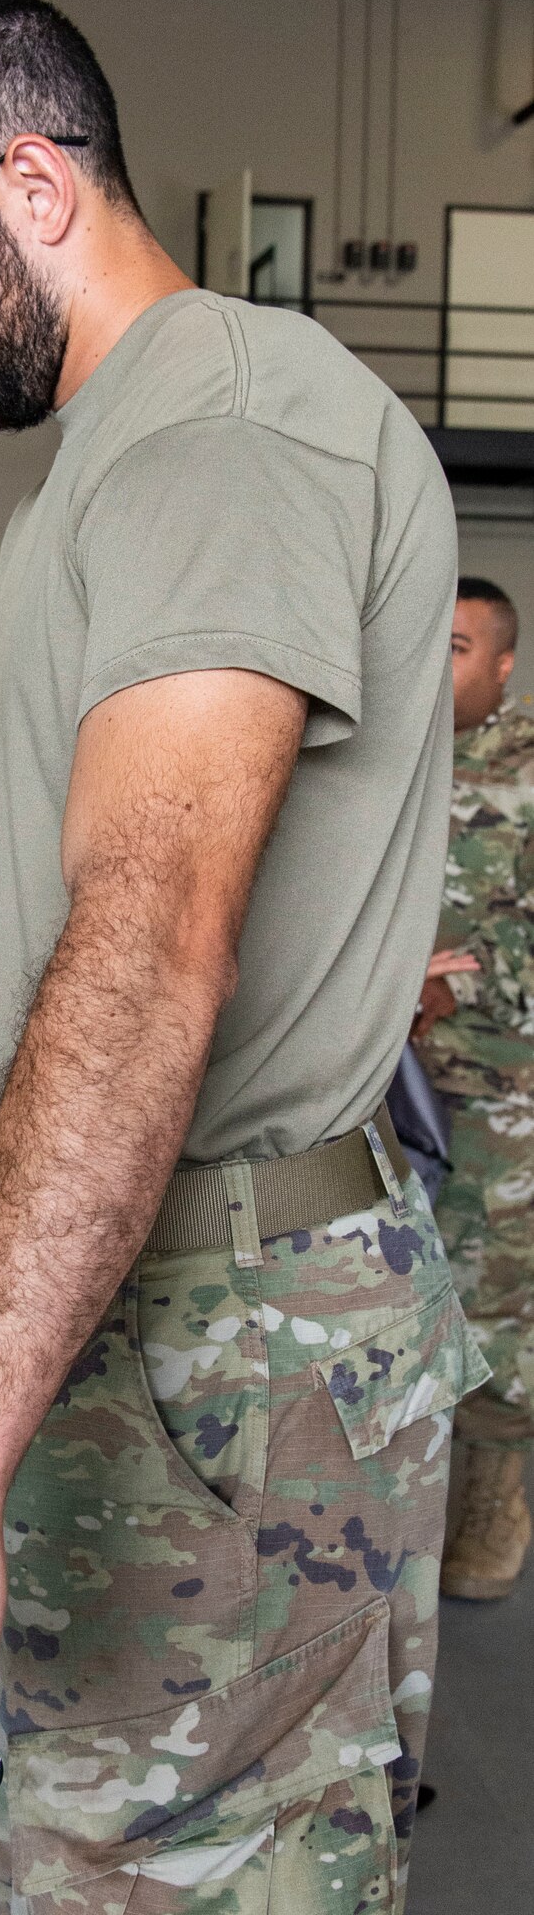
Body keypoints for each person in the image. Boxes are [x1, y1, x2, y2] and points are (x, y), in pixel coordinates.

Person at [0, 0, 489, 1915]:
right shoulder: (120, 453)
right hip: (149, 1297)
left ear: (26, 182)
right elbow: (30, 893)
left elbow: (152, 933)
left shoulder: (223, 435)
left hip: (223, 1321)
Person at [413, 576, 534, 1599]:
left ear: (500, 665)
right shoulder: (380, 760)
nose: (430, 658)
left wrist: (462, 983)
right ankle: (400, 1505)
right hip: (380, 1080)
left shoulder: (528, 770)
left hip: (499, 1087)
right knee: (396, 1297)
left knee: (491, 1306)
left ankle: (494, 1490)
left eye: (454, 645)